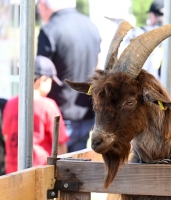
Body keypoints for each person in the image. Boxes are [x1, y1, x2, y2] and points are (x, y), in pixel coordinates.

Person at [37, 0, 101, 152]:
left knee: (53, 171)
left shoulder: (49, 30)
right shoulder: (91, 26)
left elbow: (41, 75)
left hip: (59, 116)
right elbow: (98, 68)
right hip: (88, 112)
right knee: (76, 169)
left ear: (44, 5)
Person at [2, 56, 69, 174]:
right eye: (50, 81)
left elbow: (6, 136)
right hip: (40, 172)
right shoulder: (48, 106)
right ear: (41, 80)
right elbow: (60, 143)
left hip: (12, 170)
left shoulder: (10, 103)